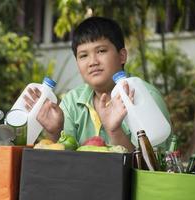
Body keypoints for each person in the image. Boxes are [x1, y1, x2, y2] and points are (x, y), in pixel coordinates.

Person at [24, 16, 171, 152]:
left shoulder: (144, 96)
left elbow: (152, 167)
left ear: (122, 56)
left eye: (101, 51)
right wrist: (54, 132)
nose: (93, 62)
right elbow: (63, 164)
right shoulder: (72, 101)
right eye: (83, 55)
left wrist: (114, 130)